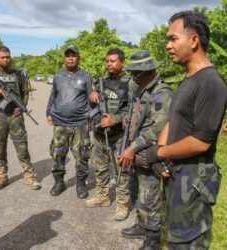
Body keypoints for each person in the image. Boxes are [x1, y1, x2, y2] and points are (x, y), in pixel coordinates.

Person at [146, 11, 227, 249]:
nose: (167, 45)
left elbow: (201, 141)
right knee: (172, 239)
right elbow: (173, 120)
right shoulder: (188, 80)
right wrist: (161, 151)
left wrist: (159, 154)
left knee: (187, 242)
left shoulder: (211, 83)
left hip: (193, 183)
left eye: (173, 39)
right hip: (176, 176)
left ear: (194, 41)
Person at [119, 50, 172, 249]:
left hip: (149, 153)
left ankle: (153, 239)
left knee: (149, 197)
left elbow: (158, 130)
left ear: (145, 72)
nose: (132, 77)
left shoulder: (161, 94)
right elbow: (139, 116)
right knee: (137, 191)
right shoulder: (141, 89)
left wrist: (132, 147)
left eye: (134, 73)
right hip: (137, 151)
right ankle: (142, 225)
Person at [0, 46, 41, 191]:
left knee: (22, 146)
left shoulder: (18, 74)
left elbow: (25, 92)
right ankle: (2, 177)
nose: (6, 59)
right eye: (2, 57)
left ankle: (29, 177)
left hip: (15, 116)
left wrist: (22, 107)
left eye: (8, 57)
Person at [85, 48, 133, 221]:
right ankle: (102, 196)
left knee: (121, 172)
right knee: (100, 168)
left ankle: (122, 204)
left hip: (118, 136)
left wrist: (116, 119)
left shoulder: (130, 83)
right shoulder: (101, 82)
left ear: (122, 62)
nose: (109, 64)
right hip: (99, 135)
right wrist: (92, 95)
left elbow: (133, 109)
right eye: (107, 61)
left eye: (113, 61)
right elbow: (93, 106)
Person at [46, 45, 93, 199]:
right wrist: (48, 112)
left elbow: (91, 99)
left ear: (78, 58)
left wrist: (90, 119)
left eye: (74, 55)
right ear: (64, 58)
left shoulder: (86, 76)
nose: (70, 58)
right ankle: (59, 182)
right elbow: (53, 95)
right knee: (58, 154)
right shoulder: (58, 76)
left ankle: (80, 184)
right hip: (60, 123)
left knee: (81, 156)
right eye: (68, 55)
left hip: (80, 123)